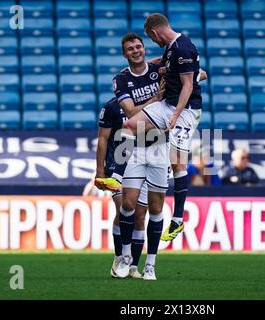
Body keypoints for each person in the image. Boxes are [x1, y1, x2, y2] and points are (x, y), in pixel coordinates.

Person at [83, 32, 166, 279]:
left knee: (141, 215)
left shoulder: (156, 70)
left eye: (139, 46)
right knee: (125, 208)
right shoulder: (112, 105)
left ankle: (133, 266)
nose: (136, 50)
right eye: (130, 48)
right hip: (121, 160)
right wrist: (100, 173)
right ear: (125, 54)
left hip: (152, 150)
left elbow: (178, 63)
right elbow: (103, 139)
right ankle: (121, 257)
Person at [122, 13, 203, 242]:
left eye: (150, 38)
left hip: (185, 110)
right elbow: (168, 66)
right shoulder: (170, 49)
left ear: (154, 33)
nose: (152, 42)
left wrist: (176, 114)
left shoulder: (183, 48)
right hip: (167, 104)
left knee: (177, 163)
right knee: (129, 125)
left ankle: (177, 220)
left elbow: (188, 85)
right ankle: (118, 172)